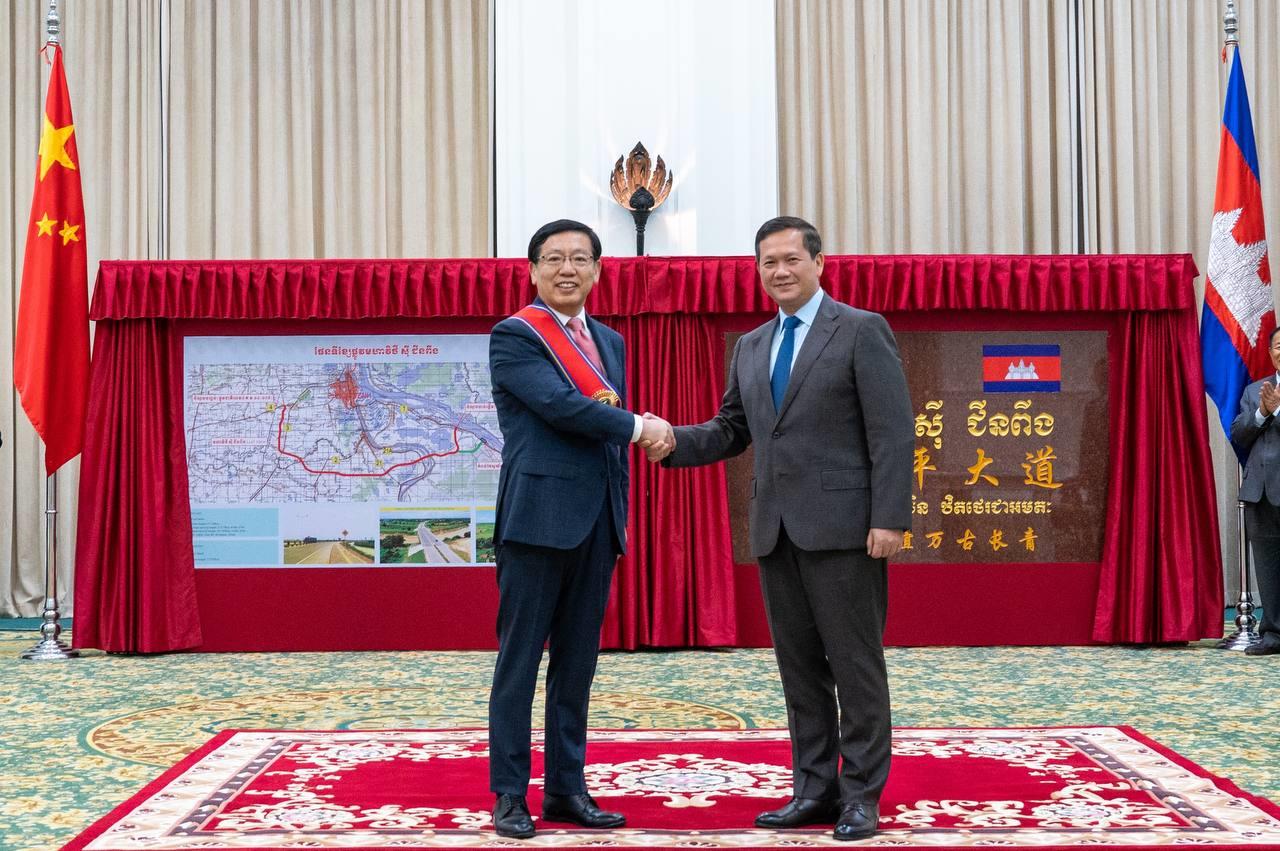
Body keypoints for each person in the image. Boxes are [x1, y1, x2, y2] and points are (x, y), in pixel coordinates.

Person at [657, 216, 913, 840]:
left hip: (847, 531)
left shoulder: (860, 330)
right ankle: (814, 791)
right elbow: (731, 429)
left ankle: (861, 797)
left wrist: (889, 518)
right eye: (768, 262)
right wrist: (669, 441)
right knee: (799, 671)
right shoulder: (751, 345)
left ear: (819, 263)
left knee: (855, 667)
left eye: (791, 259)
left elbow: (892, 432)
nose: (780, 271)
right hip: (775, 531)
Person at [487, 219, 673, 839]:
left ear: (597, 269)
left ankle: (567, 790)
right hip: (536, 521)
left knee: (577, 667)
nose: (567, 269)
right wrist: (641, 428)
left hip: (598, 522)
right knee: (519, 664)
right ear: (533, 270)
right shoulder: (514, 336)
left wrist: (634, 436)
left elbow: (600, 425)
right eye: (554, 258)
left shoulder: (610, 341)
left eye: (579, 258)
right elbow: (560, 407)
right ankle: (510, 794)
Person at [1230, 324, 1280, 657]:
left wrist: (1277, 411)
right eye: (1279, 345)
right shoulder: (1254, 391)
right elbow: (1238, 434)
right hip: (1260, 493)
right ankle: (1273, 634)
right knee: (1267, 567)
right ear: (1270, 353)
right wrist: (1262, 412)